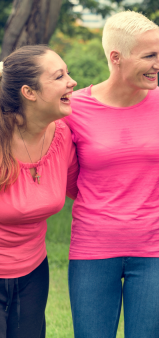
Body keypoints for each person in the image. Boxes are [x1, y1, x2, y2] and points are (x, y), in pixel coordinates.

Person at [64, 11, 159, 338]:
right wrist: (105, 200)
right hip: (92, 246)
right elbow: (66, 177)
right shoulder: (73, 109)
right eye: (149, 55)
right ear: (116, 58)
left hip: (156, 248)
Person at [0, 45, 78, 338]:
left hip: (33, 271)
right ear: (29, 93)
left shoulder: (62, 135)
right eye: (59, 76)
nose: (72, 82)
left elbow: (82, 189)